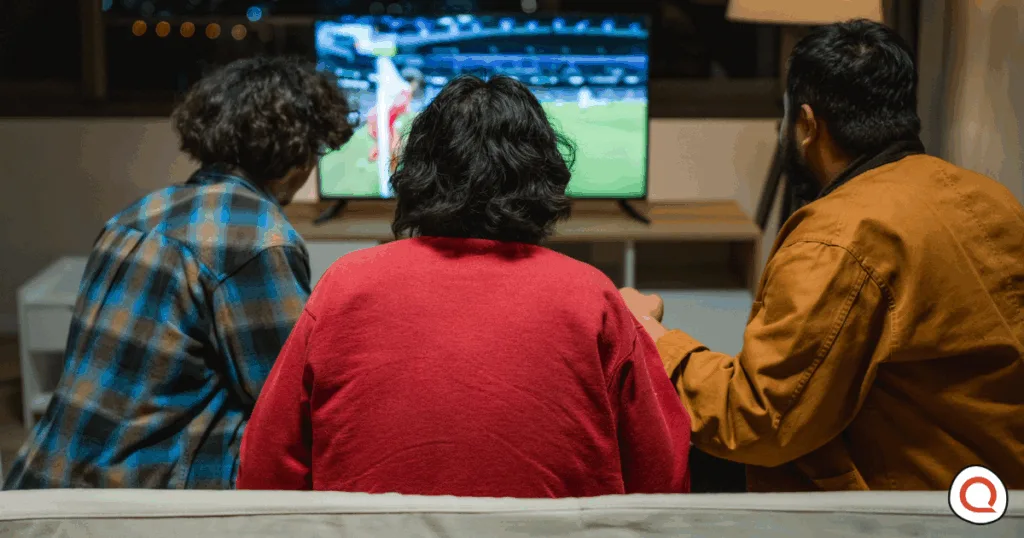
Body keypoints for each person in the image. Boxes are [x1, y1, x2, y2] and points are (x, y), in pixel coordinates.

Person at [237, 75, 692, 497]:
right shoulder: (593, 296)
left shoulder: (344, 283)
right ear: (544, 176)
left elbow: (265, 468)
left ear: (416, 172)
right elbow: (663, 477)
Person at [622, 19, 1024, 492]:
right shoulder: (993, 198)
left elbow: (756, 422)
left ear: (808, 124)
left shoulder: (838, 238)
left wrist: (654, 337)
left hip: (905, 511)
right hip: (990, 495)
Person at [3, 57, 354, 490]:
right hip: (136, 493)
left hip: (44, 476)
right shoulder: (257, 235)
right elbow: (290, 400)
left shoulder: (137, 213)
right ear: (297, 151)